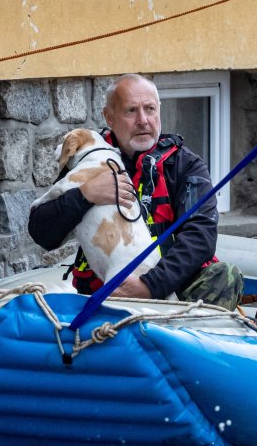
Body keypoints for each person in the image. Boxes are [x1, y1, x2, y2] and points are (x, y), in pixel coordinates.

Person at [28, 74, 243, 310]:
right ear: (109, 117)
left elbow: (200, 236)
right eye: (131, 111)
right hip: (105, 293)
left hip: (171, 291)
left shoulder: (186, 165)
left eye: (149, 109)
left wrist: (150, 286)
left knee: (225, 276)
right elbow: (41, 233)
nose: (143, 120)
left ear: (159, 110)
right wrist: (85, 195)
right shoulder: (88, 159)